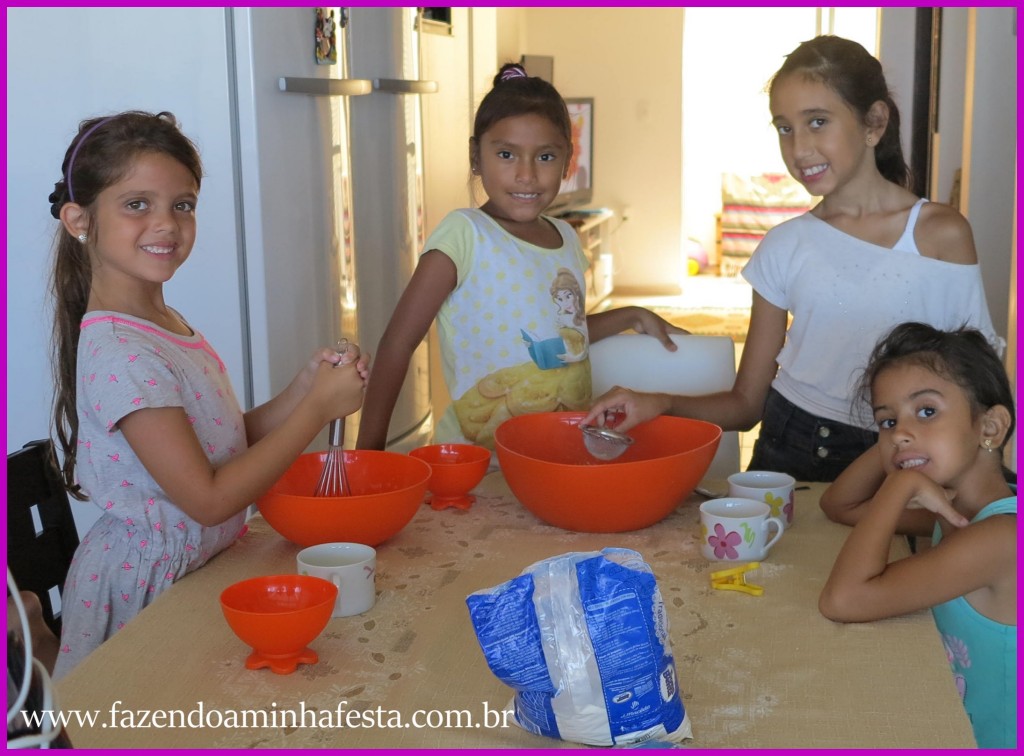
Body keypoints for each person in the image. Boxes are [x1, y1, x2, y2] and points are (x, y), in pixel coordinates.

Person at [582, 35, 1001, 482]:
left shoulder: (940, 234)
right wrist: (658, 403)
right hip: (793, 449)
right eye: (784, 128)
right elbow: (746, 406)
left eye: (817, 122)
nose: (798, 149)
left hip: (908, 454)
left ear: (873, 123)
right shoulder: (784, 246)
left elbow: (980, 386)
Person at [46, 111, 369, 678]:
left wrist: (301, 389)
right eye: (137, 204)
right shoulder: (122, 353)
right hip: (148, 592)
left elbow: (224, 444)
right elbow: (210, 498)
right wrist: (319, 410)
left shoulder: (161, 320)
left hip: (200, 564)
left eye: (183, 204)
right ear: (79, 219)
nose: (166, 223)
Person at [356, 63, 680, 451]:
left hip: (562, 449)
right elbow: (398, 343)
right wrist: (368, 451)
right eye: (507, 154)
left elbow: (561, 336)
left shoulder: (565, 237)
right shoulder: (466, 233)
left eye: (545, 157)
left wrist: (631, 315)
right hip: (482, 465)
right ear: (476, 157)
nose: (526, 175)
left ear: (568, 160)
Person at [818, 323, 1015, 749]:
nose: (899, 432)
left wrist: (901, 482)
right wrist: (905, 443)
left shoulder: (1000, 538)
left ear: (990, 428)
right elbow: (840, 506)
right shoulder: (959, 513)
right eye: (885, 421)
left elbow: (844, 600)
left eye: (927, 411)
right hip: (948, 718)